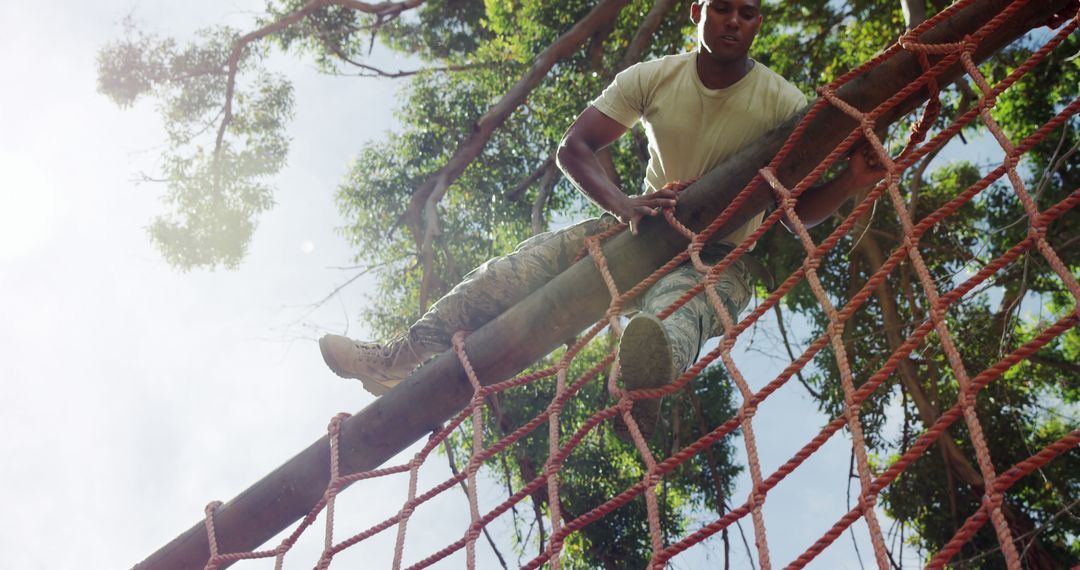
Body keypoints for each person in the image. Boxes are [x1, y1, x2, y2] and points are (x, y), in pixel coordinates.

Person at [319, 0, 884, 438]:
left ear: (757, 24)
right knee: (506, 275)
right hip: (636, 231)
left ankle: (639, 390)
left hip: (716, 253)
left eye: (748, 12)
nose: (734, 20)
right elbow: (576, 147)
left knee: (673, 320)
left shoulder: (784, 103)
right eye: (722, 8)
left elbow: (794, 209)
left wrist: (853, 183)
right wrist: (623, 203)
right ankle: (391, 361)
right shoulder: (656, 76)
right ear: (697, 13)